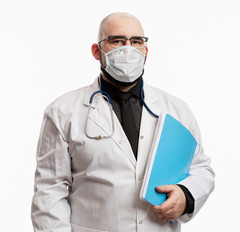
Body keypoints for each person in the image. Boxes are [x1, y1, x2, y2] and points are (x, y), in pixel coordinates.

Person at [31, 12, 215, 232]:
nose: (127, 49)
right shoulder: (63, 112)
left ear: (146, 51)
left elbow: (201, 169)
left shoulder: (177, 110)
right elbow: (49, 192)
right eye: (117, 41)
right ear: (96, 51)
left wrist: (186, 196)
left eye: (136, 41)